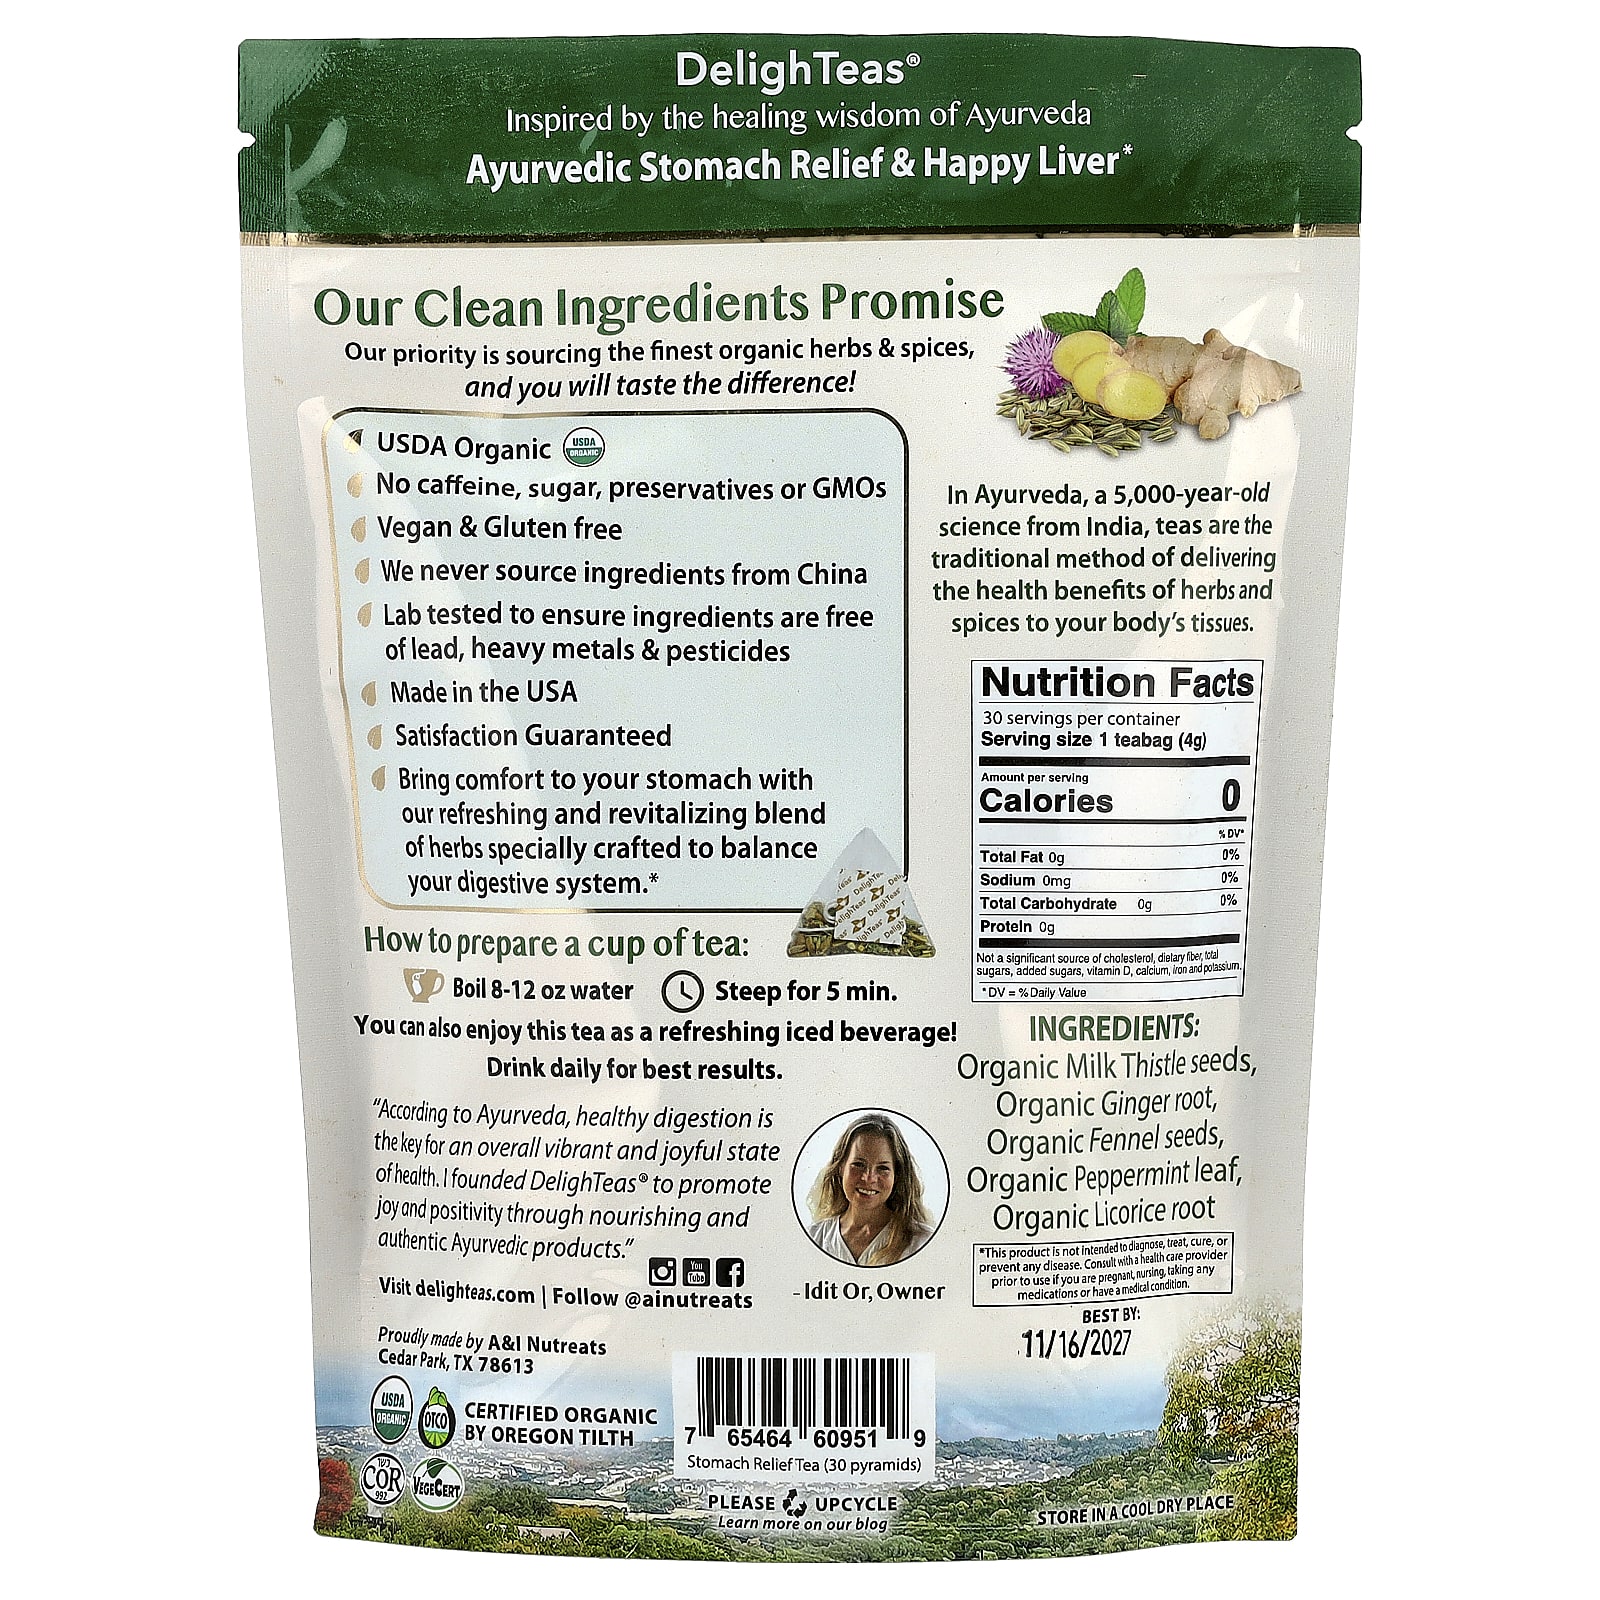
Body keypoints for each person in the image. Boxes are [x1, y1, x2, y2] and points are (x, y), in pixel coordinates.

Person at [806, 1114, 934, 1266]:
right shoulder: (814, 1238)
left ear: (897, 1175)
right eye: (858, 1164)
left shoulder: (922, 1242)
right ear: (841, 1167)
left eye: (883, 1168)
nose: (868, 1178)